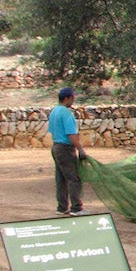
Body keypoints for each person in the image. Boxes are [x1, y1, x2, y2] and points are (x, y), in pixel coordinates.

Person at [48, 86, 88, 216]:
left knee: (60, 178)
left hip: (55, 147)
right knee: (73, 178)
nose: (73, 100)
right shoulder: (66, 113)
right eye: (72, 98)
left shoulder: (54, 111)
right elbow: (71, 135)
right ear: (67, 98)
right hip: (65, 148)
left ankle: (62, 207)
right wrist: (80, 149)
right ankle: (76, 208)